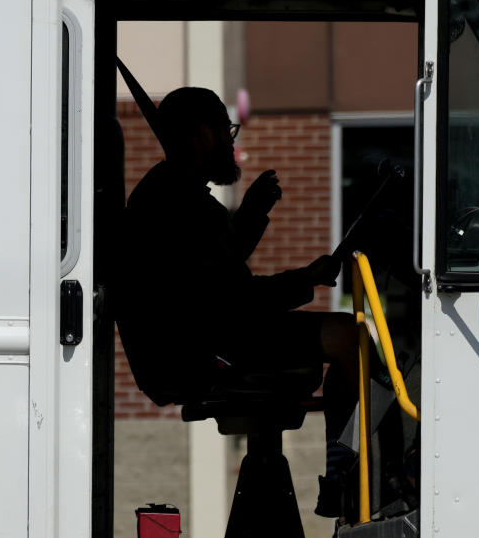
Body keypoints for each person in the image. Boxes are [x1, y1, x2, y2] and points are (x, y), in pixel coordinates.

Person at [115, 86, 359, 440]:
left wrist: (251, 213)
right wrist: (306, 278)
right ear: (202, 135)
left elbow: (212, 269)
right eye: (225, 131)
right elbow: (239, 299)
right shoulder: (185, 207)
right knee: (349, 336)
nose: (231, 143)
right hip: (207, 352)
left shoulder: (162, 193)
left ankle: (347, 460)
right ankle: (352, 466)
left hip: (188, 348)